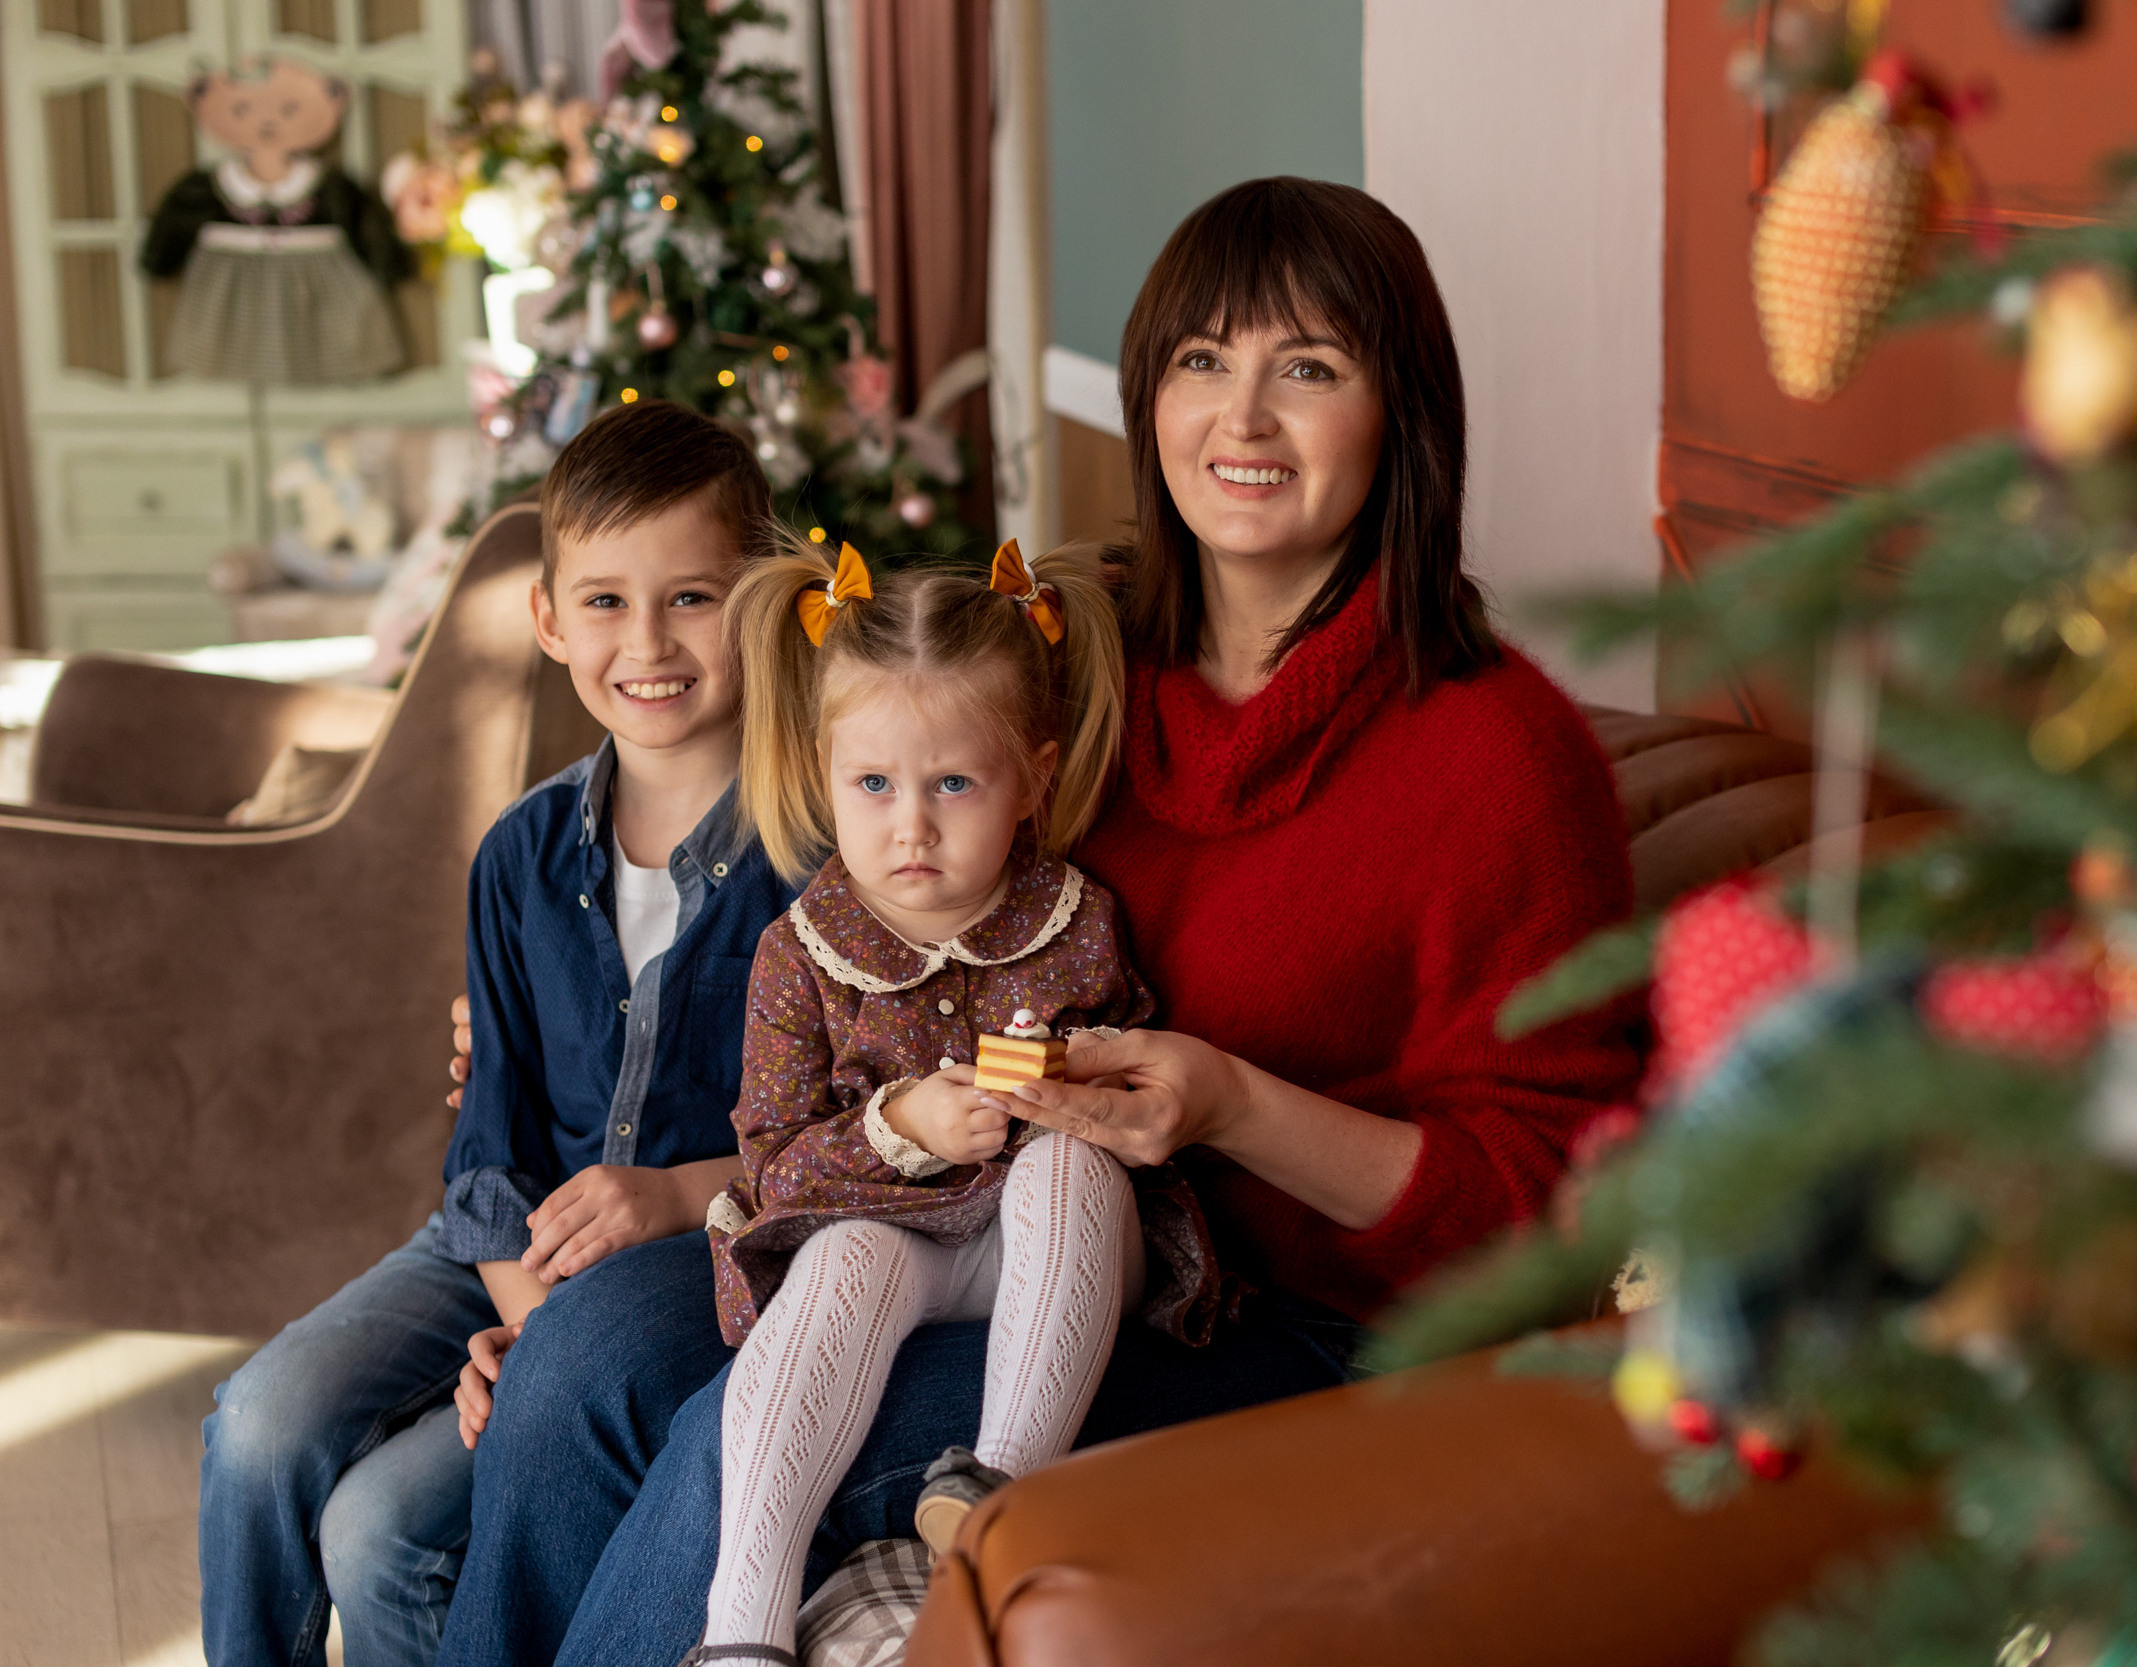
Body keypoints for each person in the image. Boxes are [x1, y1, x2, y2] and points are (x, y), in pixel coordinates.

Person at [441, 176, 1644, 1667]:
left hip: (1289, 1324)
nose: (1244, 419)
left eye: (1310, 368)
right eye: (1203, 361)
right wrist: (539, 1036)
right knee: (575, 1371)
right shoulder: (1081, 665)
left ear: (1404, 413)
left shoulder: (1498, 756)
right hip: (976, 1220)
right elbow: (862, 872)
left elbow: (1551, 1198)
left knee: (739, 1443)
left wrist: (1233, 1101)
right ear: (1147, 397)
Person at [196, 399, 793, 1667]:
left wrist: (585, 1322)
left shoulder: (816, 861)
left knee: (381, 1529)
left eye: (692, 597)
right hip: (504, 1239)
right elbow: (488, 1141)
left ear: (761, 600)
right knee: (257, 1420)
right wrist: (528, 1320)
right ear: (546, 618)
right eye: (605, 602)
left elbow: (840, 1132)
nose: (648, 642)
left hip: (685, 1263)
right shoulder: (521, 853)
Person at [692, 536, 1223, 1662]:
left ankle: (1000, 1481)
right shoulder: (799, 955)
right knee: (841, 1261)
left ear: (1031, 779)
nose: (912, 825)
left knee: (1068, 1166)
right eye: (873, 784)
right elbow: (772, 1168)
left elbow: (1137, 1094)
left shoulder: (1076, 918)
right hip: (907, 1247)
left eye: (954, 784)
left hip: (1066, 1242)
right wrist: (902, 1126)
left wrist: (1067, 1080)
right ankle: (741, 1624)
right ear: (823, 772)